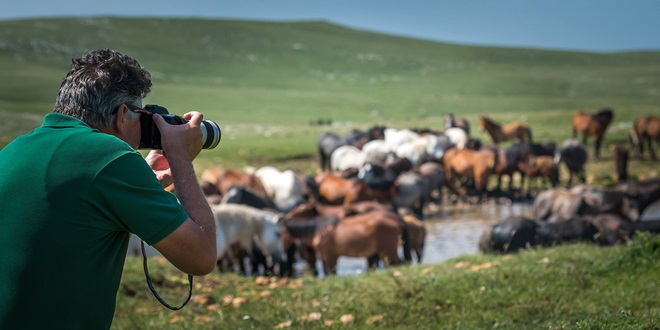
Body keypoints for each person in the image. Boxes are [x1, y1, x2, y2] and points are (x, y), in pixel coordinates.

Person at [0, 49, 217, 329]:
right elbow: (201, 257)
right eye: (142, 114)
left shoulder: (15, 149)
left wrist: (141, 181)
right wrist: (181, 159)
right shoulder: (109, 156)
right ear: (123, 114)